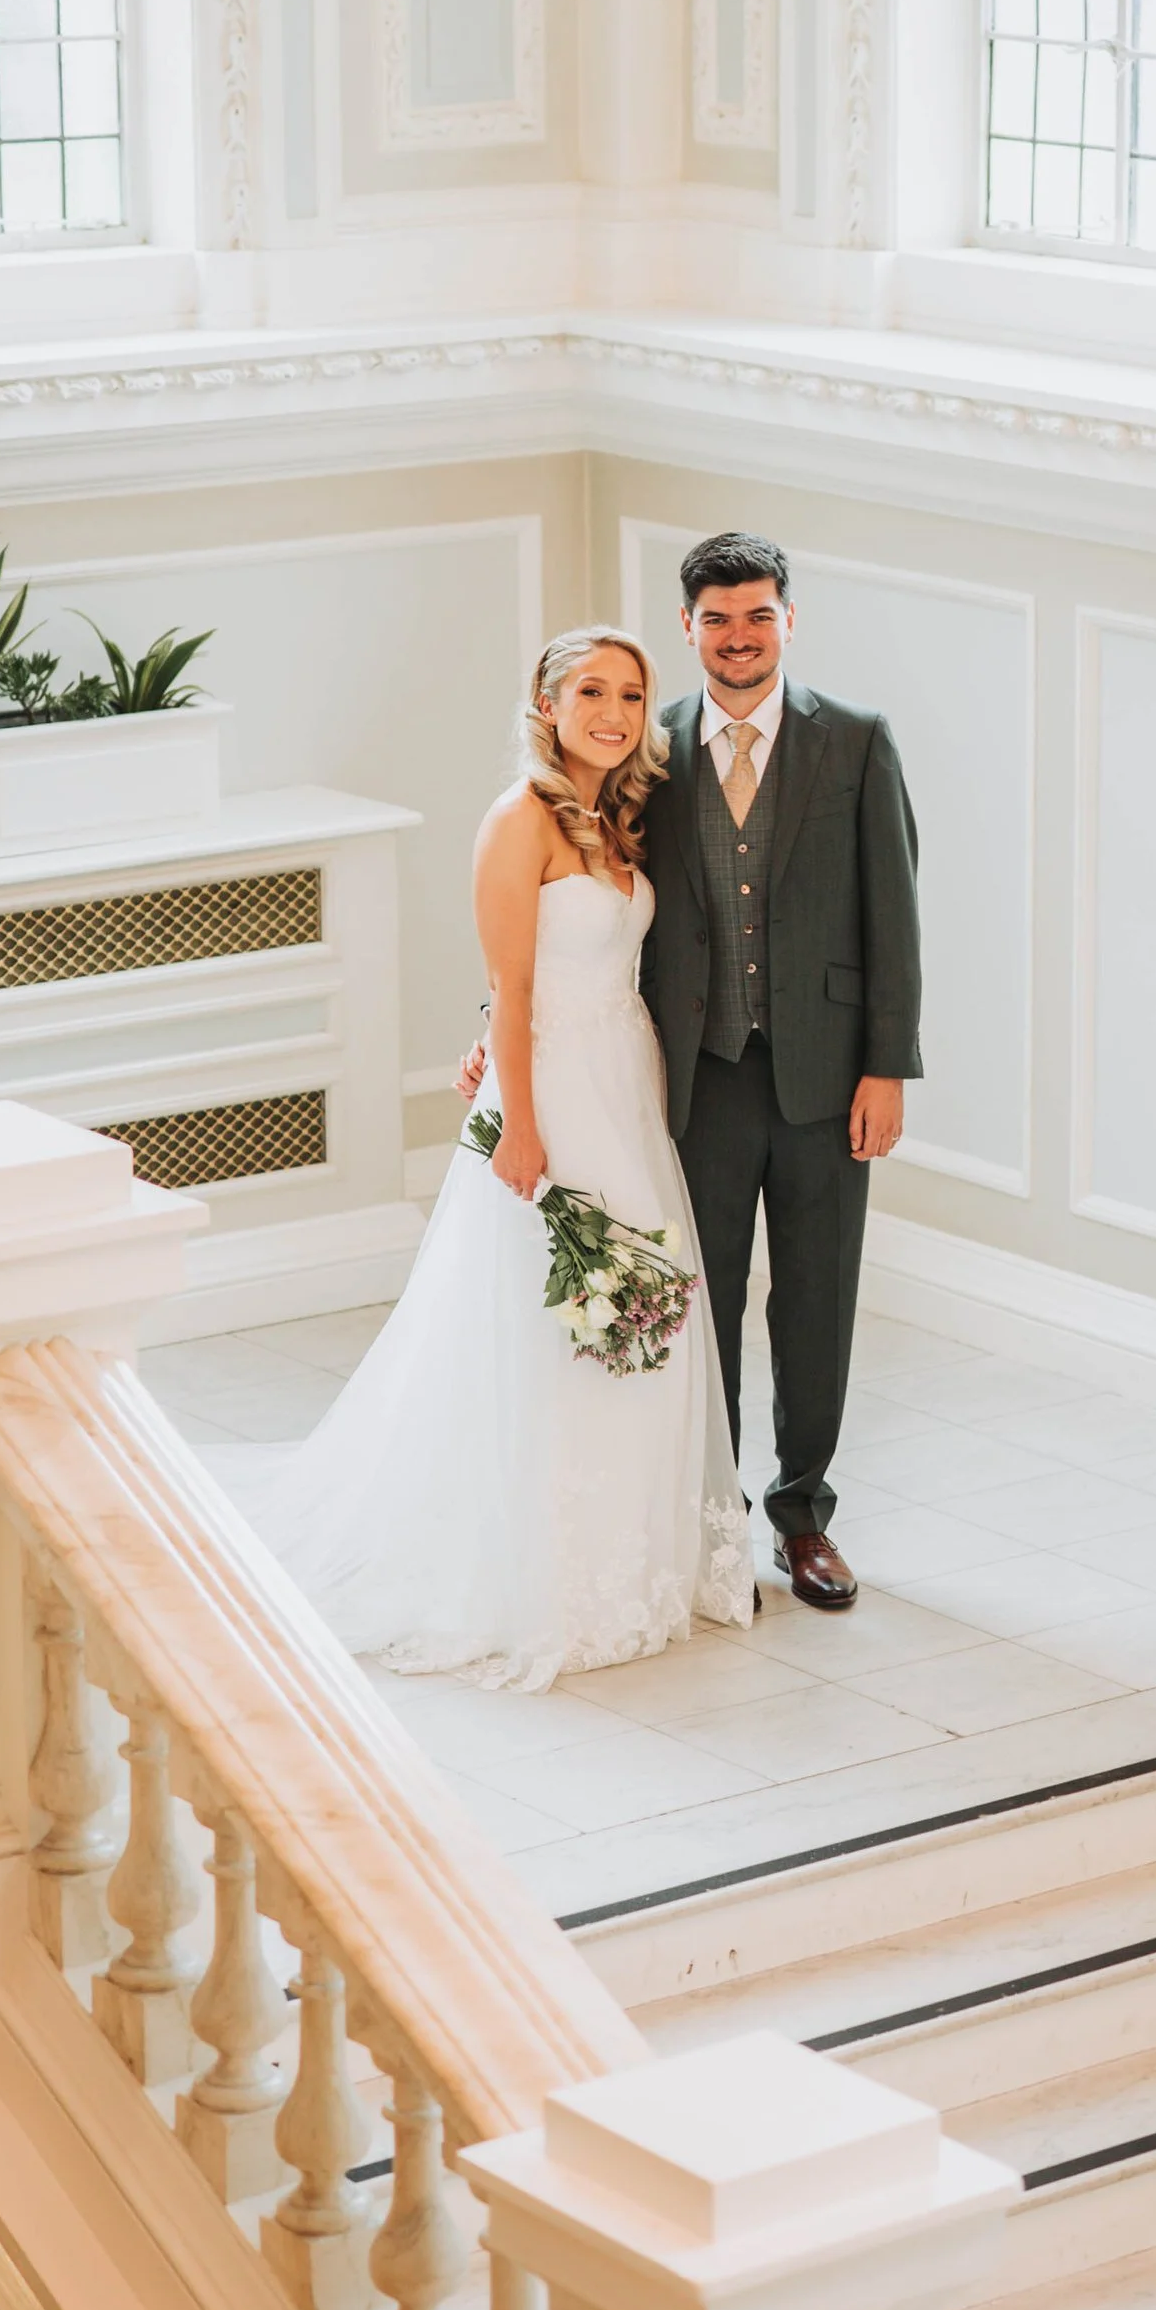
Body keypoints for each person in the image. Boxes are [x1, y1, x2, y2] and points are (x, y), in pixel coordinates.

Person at [248, 628, 754, 1690]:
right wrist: (517, 1123)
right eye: (590, 691)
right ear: (546, 699)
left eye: (629, 694)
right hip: (553, 1095)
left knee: (637, 1312)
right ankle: (549, 1568)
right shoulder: (515, 820)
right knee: (550, 1318)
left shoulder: (622, 820)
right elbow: (513, 987)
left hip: (627, 1081)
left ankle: (636, 1555)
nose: (613, 712)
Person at [636, 532, 922, 1611]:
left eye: (758, 616)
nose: (739, 638)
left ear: (788, 620)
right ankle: (715, 1526)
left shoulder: (852, 741)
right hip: (695, 1080)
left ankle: (803, 1518)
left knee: (814, 1301)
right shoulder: (648, 749)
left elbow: (893, 910)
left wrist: (886, 1067)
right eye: (717, 620)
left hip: (824, 1078)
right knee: (699, 1305)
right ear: (688, 628)